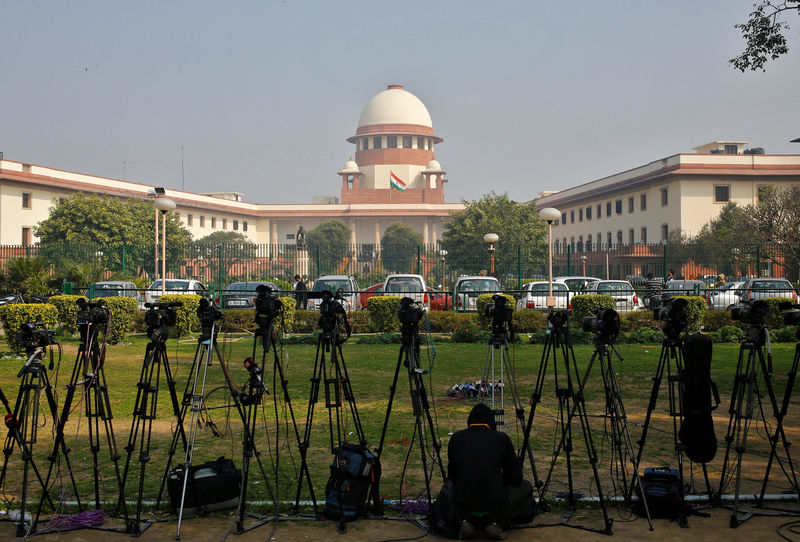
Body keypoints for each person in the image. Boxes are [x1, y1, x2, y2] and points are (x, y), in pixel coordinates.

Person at [440, 403, 533, 540]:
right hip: (495, 508)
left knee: (449, 486)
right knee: (526, 487)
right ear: (491, 423)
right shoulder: (502, 438)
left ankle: (464, 522)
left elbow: (452, 477)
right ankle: (496, 523)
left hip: (465, 506)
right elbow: (516, 479)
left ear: (469, 422)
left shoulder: (456, 438)